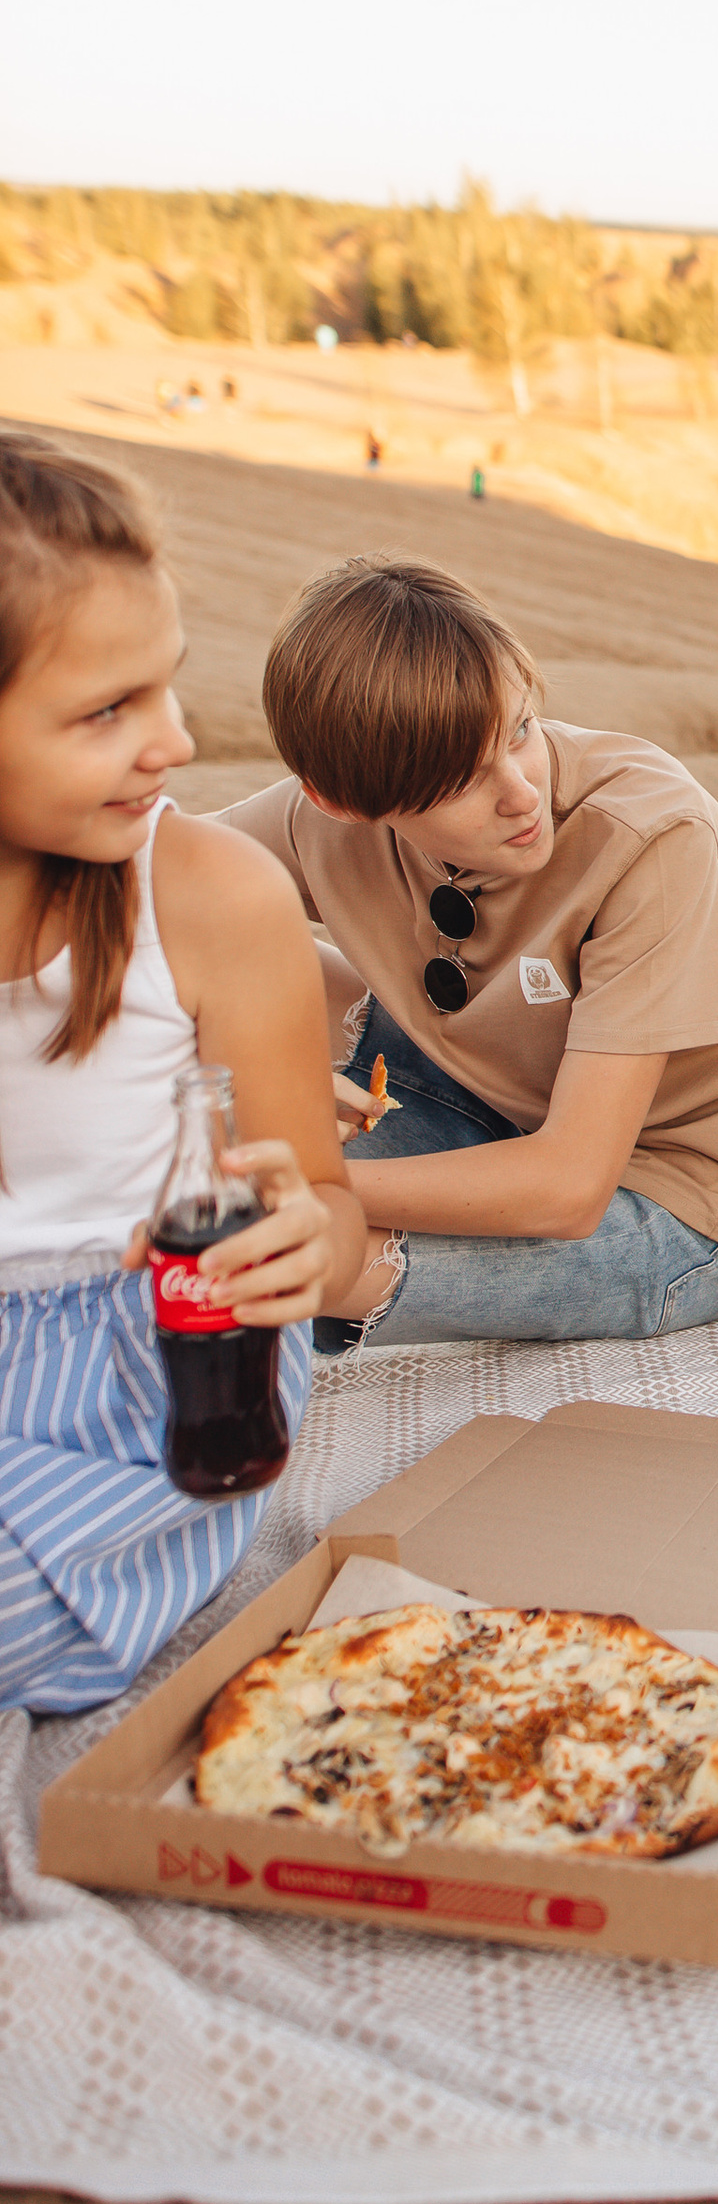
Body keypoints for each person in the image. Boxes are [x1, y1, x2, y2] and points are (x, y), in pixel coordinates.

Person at [218, 559, 718, 1349]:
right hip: (465, 1100)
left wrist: (315, 1183)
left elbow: (570, 1188)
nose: (521, 793)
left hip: (656, 1203)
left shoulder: (658, 843)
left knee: (279, 1252)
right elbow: (140, 876)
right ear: (342, 801)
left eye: (521, 730)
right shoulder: (325, 811)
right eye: (463, 780)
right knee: (188, 1054)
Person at [0, 435, 359, 1713]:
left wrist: (311, 1245)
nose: (176, 742)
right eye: (107, 711)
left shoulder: (213, 897)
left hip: (146, 1377)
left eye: (167, 686)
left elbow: (327, 1203)